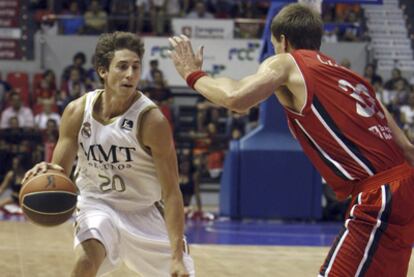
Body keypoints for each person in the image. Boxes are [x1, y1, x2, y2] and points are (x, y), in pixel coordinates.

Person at [168, 3, 414, 276]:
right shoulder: (355, 79)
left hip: (380, 194)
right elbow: (406, 148)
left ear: (283, 41)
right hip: (404, 189)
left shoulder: (287, 61)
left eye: (274, 44)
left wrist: (193, 75)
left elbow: (235, 98)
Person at [23, 31, 194, 277]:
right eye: (122, 67)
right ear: (103, 71)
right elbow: (59, 173)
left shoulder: (151, 120)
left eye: (136, 67)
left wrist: (177, 257)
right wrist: (45, 171)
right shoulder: (77, 112)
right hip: (96, 203)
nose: (131, 74)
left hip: (143, 211)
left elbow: (172, 192)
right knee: (85, 262)